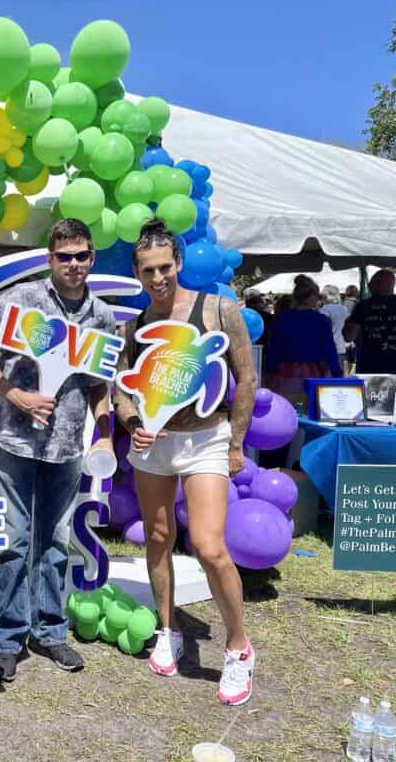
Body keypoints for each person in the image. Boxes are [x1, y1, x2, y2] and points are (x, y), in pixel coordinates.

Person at [113, 220, 258, 706]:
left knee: (209, 545)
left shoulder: (219, 308)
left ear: (178, 263)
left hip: (207, 441)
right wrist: (133, 420)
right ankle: (167, 628)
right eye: (149, 270)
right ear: (137, 272)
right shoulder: (133, 327)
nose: (158, 278)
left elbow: (246, 378)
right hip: (154, 446)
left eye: (165, 267)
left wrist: (236, 443)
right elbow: (121, 387)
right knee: (157, 537)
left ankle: (239, 647)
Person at [0, 218, 115, 682]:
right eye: (64, 256)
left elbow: (99, 387)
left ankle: (51, 632)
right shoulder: (21, 301)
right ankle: (9, 638)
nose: (73, 264)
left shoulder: (102, 317)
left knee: (54, 541)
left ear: (92, 258)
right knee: (15, 540)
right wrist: (16, 395)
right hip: (14, 440)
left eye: (82, 255)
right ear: (50, 259)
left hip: (68, 445)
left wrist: (105, 432)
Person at [264, 278, 342, 403]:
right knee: (310, 413)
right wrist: (337, 374)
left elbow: (273, 349)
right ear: (310, 297)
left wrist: (269, 371)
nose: (319, 299)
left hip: (284, 373)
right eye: (318, 295)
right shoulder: (322, 321)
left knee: (286, 411)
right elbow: (329, 351)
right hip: (314, 373)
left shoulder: (280, 320)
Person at [344, 269, 396, 388]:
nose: (369, 287)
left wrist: (348, 324)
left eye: (370, 283)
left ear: (377, 284)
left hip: (368, 368)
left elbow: (349, 336)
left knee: (368, 403)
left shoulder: (363, 307)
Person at [320, 284, 350, 376]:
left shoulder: (324, 310)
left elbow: (323, 331)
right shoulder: (344, 309)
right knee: (340, 379)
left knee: (327, 381)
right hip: (342, 347)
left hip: (328, 349)